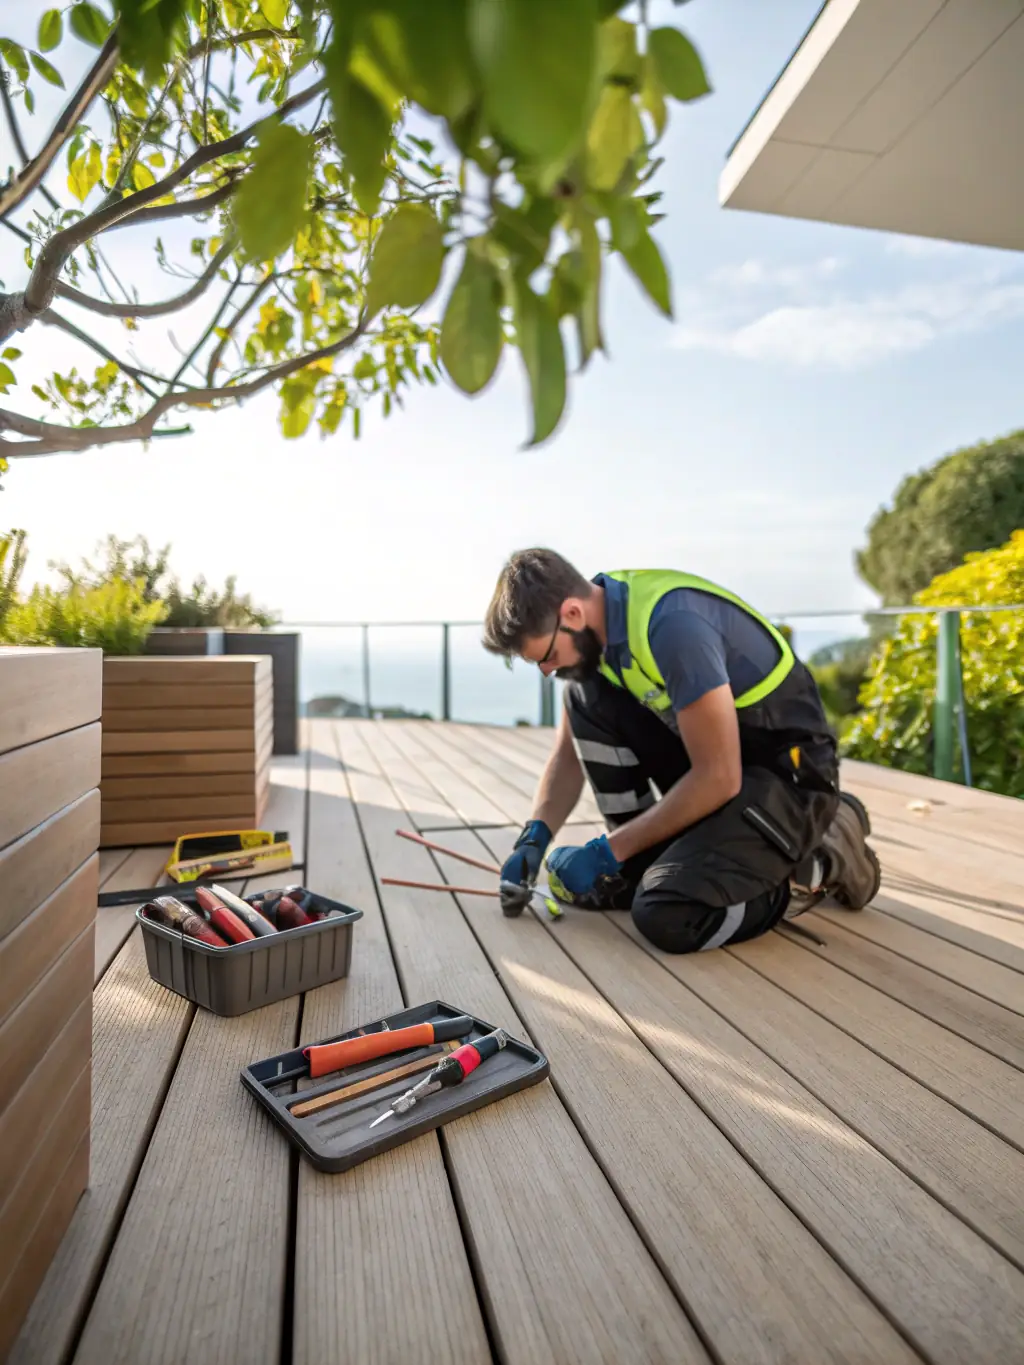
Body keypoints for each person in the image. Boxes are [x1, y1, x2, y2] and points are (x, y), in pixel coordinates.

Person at [482, 549, 881, 954]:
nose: (547, 671)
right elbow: (567, 756)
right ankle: (642, 864)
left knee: (669, 916)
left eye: (547, 656)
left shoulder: (673, 627)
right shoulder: (600, 622)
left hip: (789, 778)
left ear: (571, 614)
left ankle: (817, 856)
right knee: (585, 695)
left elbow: (719, 777)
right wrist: (534, 838)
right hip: (723, 763)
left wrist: (604, 853)